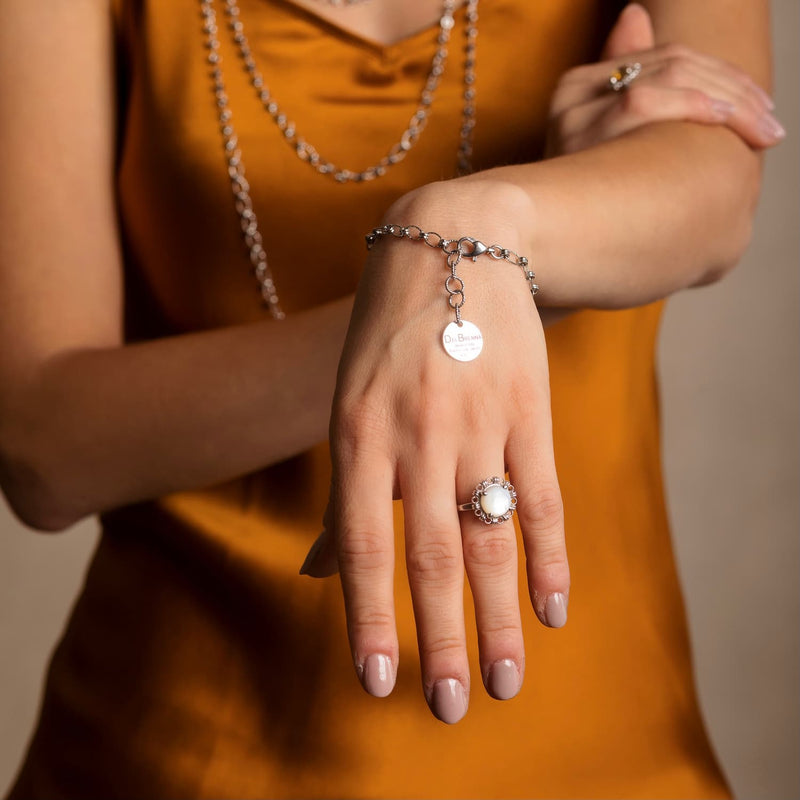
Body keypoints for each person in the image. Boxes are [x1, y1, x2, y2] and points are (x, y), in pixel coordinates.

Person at [0, 0, 781, 797]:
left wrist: (466, 227)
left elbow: (719, 180)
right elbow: (44, 447)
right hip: (179, 748)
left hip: (605, 750)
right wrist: (477, 290)